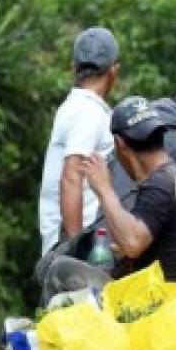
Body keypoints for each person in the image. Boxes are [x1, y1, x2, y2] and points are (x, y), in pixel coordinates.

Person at [41, 97, 176, 302]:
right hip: (158, 291)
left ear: (120, 145)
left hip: (160, 301)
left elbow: (133, 243)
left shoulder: (162, 183)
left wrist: (104, 188)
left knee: (60, 269)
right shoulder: (171, 176)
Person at [38, 26, 121, 254]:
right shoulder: (87, 111)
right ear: (114, 70)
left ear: (73, 67)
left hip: (79, 237)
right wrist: (76, 249)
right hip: (72, 240)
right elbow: (72, 176)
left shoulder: (78, 107)